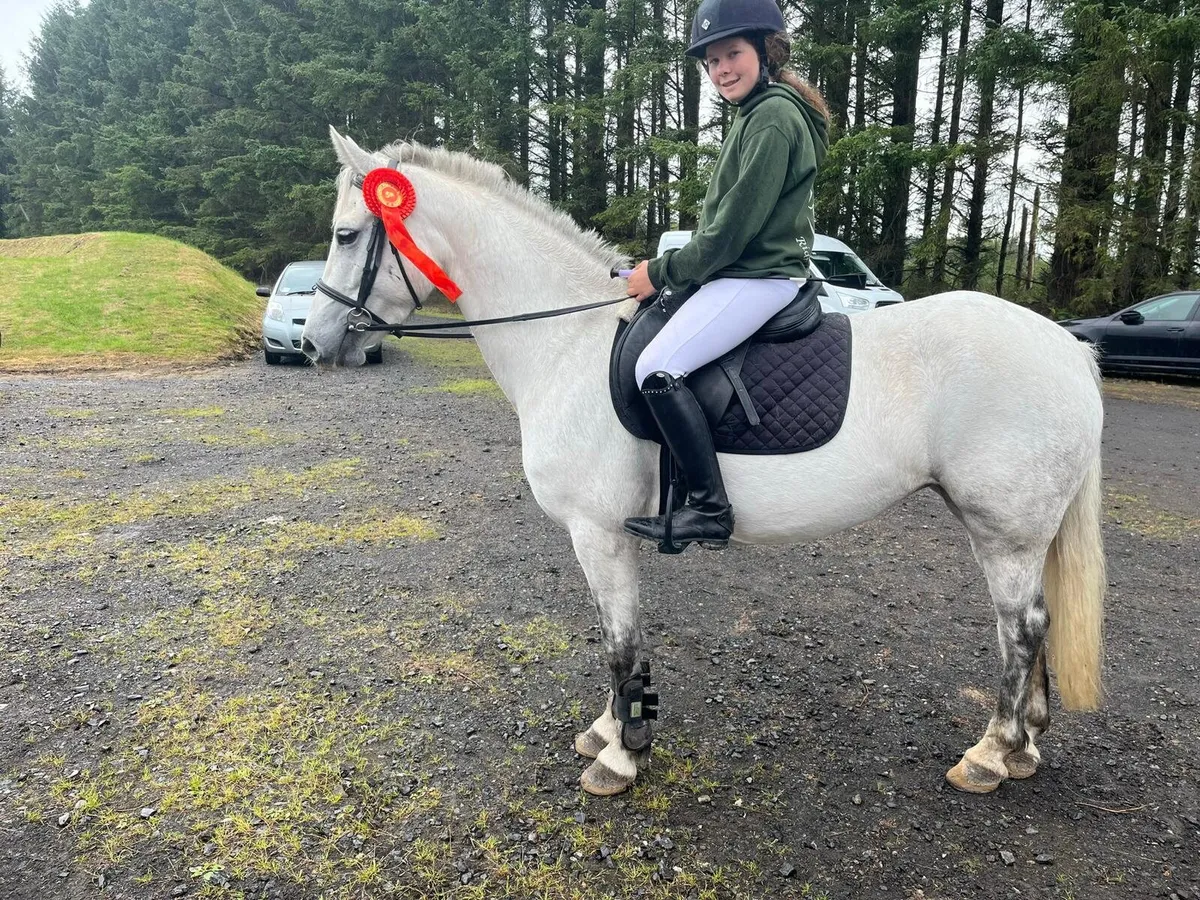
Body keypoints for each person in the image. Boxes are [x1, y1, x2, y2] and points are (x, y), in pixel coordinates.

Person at [622, 0, 830, 550]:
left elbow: (730, 234)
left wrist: (662, 272)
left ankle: (710, 509)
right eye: (712, 62)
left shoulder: (773, 118)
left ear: (765, 51)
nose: (722, 71)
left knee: (657, 367)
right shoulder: (756, 113)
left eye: (733, 54)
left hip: (760, 276)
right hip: (748, 272)